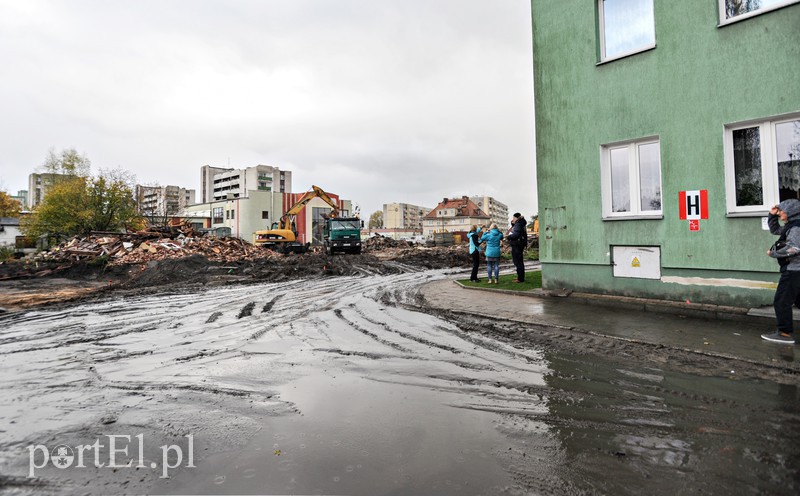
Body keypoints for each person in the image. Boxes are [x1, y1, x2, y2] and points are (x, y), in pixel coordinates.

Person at [762, 199, 800, 344]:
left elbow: (795, 248)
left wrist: (773, 253)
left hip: (793, 270)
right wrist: (772, 216)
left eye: (782, 211)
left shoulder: (796, 228)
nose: (780, 213)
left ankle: (784, 333)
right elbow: (775, 230)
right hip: (796, 270)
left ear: (790, 213)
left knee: (781, 301)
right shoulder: (791, 225)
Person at [506, 213, 528, 283]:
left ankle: (520, 278)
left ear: (516, 217)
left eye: (513, 218)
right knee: (520, 261)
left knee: (517, 262)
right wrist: (513, 224)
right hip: (520, 244)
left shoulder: (518, 224)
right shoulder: (521, 223)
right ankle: (520, 277)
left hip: (517, 244)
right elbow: (518, 231)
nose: (513, 219)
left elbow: (516, 234)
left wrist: (508, 237)